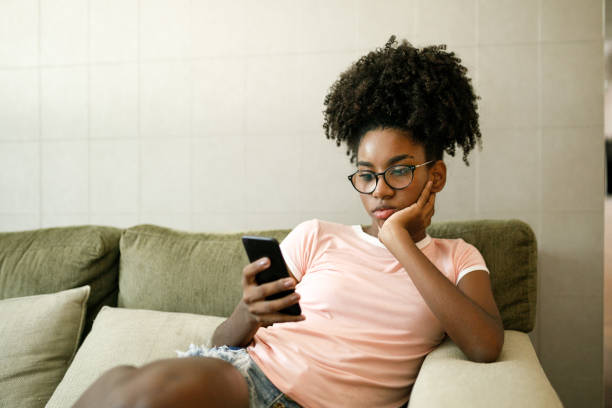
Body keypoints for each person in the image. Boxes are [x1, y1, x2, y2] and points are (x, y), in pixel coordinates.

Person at [74, 36, 504, 408]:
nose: (380, 190)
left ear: (437, 175)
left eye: (399, 170)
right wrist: (249, 312)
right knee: (118, 384)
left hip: (301, 399)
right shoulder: (317, 236)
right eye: (366, 175)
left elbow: (485, 345)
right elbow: (223, 340)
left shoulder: (458, 258)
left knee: (139, 396)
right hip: (247, 377)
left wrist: (399, 243)